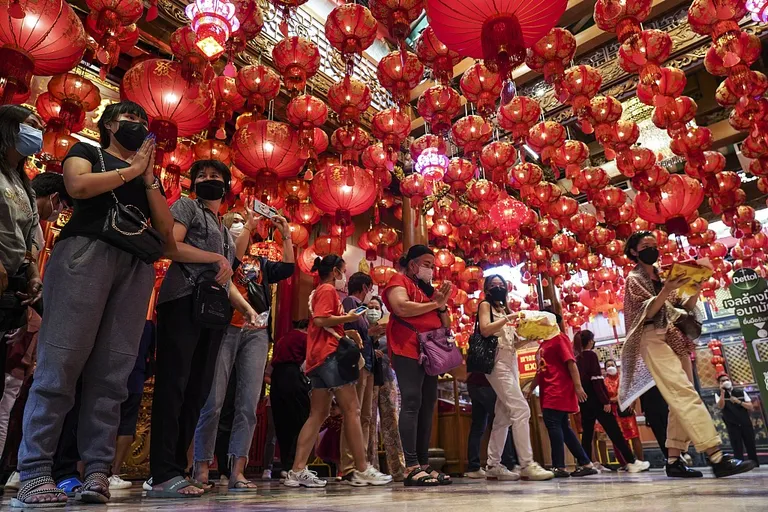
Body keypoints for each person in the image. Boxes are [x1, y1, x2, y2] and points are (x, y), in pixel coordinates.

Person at [13, 101, 177, 508]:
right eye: (130, 119)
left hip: (135, 267)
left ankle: (98, 472)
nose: (138, 126)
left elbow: (166, 233)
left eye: (143, 121)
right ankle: (34, 471)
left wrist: (150, 177)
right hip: (85, 255)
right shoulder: (87, 151)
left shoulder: (146, 175)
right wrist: (131, 171)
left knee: (112, 375)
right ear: (108, 125)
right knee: (61, 365)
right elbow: (77, 187)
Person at [148, 159, 258, 498]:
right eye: (201, 176)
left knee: (197, 391)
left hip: (212, 311)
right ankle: (162, 472)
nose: (208, 180)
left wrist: (246, 308)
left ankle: (177, 469)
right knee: (174, 385)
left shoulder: (224, 230)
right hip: (182, 301)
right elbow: (171, 245)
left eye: (215, 176)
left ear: (226, 184)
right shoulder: (187, 206)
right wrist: (214, 259)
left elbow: (227, 275)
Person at [619, 230, 756, 478]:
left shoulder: (664, 275)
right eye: (645, 245)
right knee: (684, 393)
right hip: (651, 338)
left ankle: (673, 460)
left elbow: (684, 308)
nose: (652, 249)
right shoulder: (633, 279)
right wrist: (665, 291)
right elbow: (646, 314)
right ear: (633, 252)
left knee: (679, 398)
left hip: (674, 337)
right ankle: (716, 455)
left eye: (654, 244)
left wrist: (696, 286)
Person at [192, 205, 294, 492]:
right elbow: (234, 259)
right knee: (213, 402)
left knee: (248, 405)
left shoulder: (261, 262)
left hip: (256, 333)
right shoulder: (221, 253)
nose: (242, 224)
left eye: (244, 221)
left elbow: (287, 268)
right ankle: (201, 467)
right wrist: (249, 226)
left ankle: (238, 469)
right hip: (225, 328)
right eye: (235, 221)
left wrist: (285, 236)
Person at [284, 255, 390, 488]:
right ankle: (362, 468)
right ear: (334, 271)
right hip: (330, 357)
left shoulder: (317, 291)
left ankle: (297, 469)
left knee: (318, 414)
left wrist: (346, 331)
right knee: (353, 410)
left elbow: (324, 323)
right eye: (342, 271)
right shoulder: (327, 291)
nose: (344, 277)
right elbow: (322, 320)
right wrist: (350, 318)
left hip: (317, 358)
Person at [383, 244, 453, 486]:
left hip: (430, 352)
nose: (431, 270)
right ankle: (410, 466)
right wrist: (436, 304)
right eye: (426, 264)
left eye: (433, 266)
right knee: (412, 401)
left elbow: (446, 322)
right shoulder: (398, 279)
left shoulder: (429, 291)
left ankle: (423, 464)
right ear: (412, 264)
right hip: (407, 348)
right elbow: (400, 306)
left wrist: (441, 304)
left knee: (427, 405)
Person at [478, 275, 554, 481]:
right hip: (496, 362)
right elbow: (485, 330)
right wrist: (507, 319)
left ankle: (493, 465)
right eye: (493, 286)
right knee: (521, 409)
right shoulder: (485, 306)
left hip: (510, 360)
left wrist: (528, 339)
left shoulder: (506, 310)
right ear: (486, 289)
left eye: (501, 285)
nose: (498, 288)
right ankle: (527, 464)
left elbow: (512, 343)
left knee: (503, 415)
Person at [0, 105, 44, 392]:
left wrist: (33, 274)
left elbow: (29, 236)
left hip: (10, 285)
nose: (38, 131)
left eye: (40, 127)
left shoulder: (24, 183)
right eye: (31, 124)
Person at [338, 272, 390, 486]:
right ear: (365, 287)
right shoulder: (352, 302)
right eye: (370, 288)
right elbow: (350, 330)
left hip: (368, 363)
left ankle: (363, 463)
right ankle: (349, 466)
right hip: (357, 362)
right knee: (354, 414)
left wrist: (374, 334)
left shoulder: (363, 307)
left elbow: (364, 333)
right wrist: (372, 331)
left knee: (366, 416)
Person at [574, 331, 649, 473]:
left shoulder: (577, 358)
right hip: (597, 400)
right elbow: (596, 379)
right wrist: (605, 401)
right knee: (615, 431)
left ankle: (585, 463)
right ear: (590, 341)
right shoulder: (590, 355)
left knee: (588, 433)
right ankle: (631, 461)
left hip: (584, 401)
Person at [533, 311, 597, 478]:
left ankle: (559, 466)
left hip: (558, 388)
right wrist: (529, 388)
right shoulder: (543, 343)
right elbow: (540, 370)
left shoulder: (559, 338)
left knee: (554, 425)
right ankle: (585, 463)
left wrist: (577, 386)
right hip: (548, 390)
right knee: (563, 427)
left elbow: (571, 363)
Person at [109, 320, 155, 490]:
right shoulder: (147, 325)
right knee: (126, 425)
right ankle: (114, 472)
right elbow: (151, 355)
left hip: (111, 376)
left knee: (103, 420)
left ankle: (90, 471)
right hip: (135, 377)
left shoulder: (115, 320)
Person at [365, 297, 405, 481]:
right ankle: (369, 467)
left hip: (388, 379)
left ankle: (398, 469)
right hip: (369, 382)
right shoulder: (362, 331)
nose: (373, 311)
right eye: (370, 307)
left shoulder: (389, 331)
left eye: (376, 308)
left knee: (392, 425)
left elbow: (397, 353)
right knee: (369, 425)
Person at [270, 321, 311, 475]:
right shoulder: (304, 337)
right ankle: (295, 465)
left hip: (277, 378)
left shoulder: (282, 339)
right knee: (301, 422)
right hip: (294, 377)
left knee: (282, 424)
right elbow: (309, 362)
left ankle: (285, 465)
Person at [465, 372, 518, 479]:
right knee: (502, 421)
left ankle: (473, 467)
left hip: (473, 383)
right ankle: (508, 464)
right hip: (487, 383)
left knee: (478, 426)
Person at [603, 359, 645, 462]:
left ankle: (641, 460)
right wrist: (614, 399)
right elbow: (603, 398)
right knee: (619, 438)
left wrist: (633, 403)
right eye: (608, 366)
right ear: (605, 369)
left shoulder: (623, 379)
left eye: (612, 365)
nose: (610, 367)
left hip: (626, 410)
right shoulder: (604, 382)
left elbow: (632, 391)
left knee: (634, 435)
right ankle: (625, 462)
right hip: (613, 413)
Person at [716, 373, 758, 465]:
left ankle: (754, 463)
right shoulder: (718, 394)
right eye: (722, 381)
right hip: (732, 423)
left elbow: (750, 406)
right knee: (736, 445)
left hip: (745, 422)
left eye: (727, 380)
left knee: (750, 443)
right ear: (719, 383)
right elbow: (720, 406)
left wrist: (738, 401)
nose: (725, 382)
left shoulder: (741, 391)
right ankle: (740, 465)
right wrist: (722, 393)